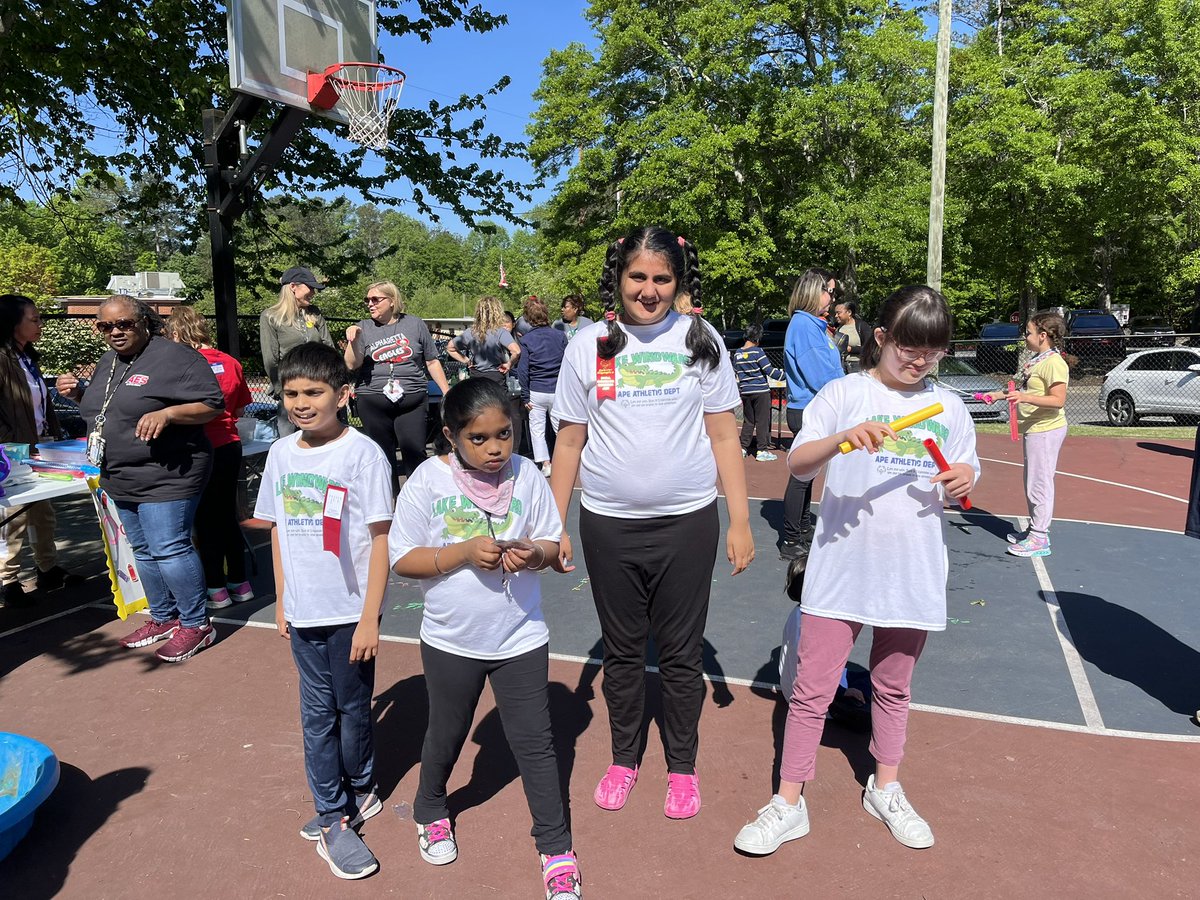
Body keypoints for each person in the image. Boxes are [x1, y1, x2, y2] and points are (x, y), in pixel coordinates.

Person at [732, 284, 978, 856]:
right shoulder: (844, 395)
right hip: (841, 571)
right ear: (882, 337)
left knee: (893, 688)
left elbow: (965, 473)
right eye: (908, 348)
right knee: (811, 693)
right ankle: (788, 803)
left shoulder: (949, 407)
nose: (919, 361)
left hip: (912, 574)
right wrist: (843, 440)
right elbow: (797, 462)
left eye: (932, 352)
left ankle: (885, 787)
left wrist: (965, 479)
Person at [550, 226, 754, 820]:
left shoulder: (700, 339)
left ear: (678, 281)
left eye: (662, 278)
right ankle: (623, 758)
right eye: (638, 277)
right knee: (622, 653)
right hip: (608, 525)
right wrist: (552, 522)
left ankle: (683, 768)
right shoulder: (587, 346)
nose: (649, 290)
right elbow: (568, 442)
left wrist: (739, 520)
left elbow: (723, 434)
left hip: (688, 524)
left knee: (683, 655)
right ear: (617, 278)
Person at [389, 378, 581, 900]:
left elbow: (553, 548)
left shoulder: (527, 476)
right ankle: (430, 808)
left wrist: (534, 554)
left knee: (537, 744)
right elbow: (402, 559)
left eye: (505, 434)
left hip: (521, 637)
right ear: (451, 435)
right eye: (480, 439)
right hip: (451, 640)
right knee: (447, 733)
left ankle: (556, 847)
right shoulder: (428, 482)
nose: (496, 448)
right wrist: (462, 552)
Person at [253, 342, 394, 881]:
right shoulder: (281, 454)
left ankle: (360, 788)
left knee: (353, 707)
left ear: (343, 394)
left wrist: (368, 616)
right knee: (318, 714)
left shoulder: (363, 455)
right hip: (305, 608)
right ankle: (334, 816)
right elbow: (280, 534)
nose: (301, 403)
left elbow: (381, 541)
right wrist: (284, 599)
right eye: (291, 394)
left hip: (351, 612)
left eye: (314, 393)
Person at [57, 295, 225, 662]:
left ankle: (197, 624)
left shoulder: (176, 357)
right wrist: (78, 393)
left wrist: (170, 414)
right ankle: (163, 617)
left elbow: (212, 404)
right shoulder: (109, 362)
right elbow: (110, 407)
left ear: (144, 322)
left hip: (168, 472)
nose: (116, 332)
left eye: (124, 324)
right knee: (144, 550)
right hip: (120, 474)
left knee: (169, 547)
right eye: (106, 326)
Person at [166, 306, 254, 610]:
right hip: (230, 444)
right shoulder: (230, 362)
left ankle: (215, 587)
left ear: (176, 333)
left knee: (204, 519)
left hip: (198, 447)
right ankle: (240, 583)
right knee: (227, 514)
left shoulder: (182, 365)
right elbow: (241, 409)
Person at [0, 294, 82, 606]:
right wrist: (9, 447)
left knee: (42, 512)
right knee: (12, 517)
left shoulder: (26, 358)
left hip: (37, 448)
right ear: (12, 323)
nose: (40, 324)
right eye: (33, 319)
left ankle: (47, 568)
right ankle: (7, 581)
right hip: (10, 453)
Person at [344, 281, 450, 493]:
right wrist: (353, 341)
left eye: (376, 299)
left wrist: (448, 392)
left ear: (392, 301)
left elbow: (431, 361)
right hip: (373, 399)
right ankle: (387, 507)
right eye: (367, 300)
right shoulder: (362, 327)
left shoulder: (414, 324)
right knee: (382, 456)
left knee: (415, 453)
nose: (370, 304)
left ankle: (417, 503)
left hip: (411, 399)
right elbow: (351, 364)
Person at [780, 268, 844, 560]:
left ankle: (803, 526)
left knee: (809, 473)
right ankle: (791, 538)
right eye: (829, 291)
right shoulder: (805, 325)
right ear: (813, 292)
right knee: (801, 475)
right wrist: (847, 390)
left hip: (811, 406)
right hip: (808, 408)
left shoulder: (812, 325)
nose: (832, 298)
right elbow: (820, 374)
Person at [1000, 311, 1073, 558]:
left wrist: (1025, 398)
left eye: (1028, 332)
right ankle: (1035, 529)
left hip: (1045, 431)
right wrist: (994, 396)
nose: (1025, 337)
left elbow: (1058, 400)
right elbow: (1018, 389)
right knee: (1032, 481)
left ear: (1043, 335)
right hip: (1035, 429)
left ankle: (1039, 537)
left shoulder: (1054, 363)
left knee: (1039, 483)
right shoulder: (1038, 359)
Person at [260, 267, 334, 437]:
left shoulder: (315, 313)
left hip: (320, 387)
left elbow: (329, 348)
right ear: (293, 287)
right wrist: (283, 392)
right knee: (290, 441)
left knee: (323, 441)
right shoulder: (270, 316)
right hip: (290, 390)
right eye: (310, 287)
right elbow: (271, 360)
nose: (314, 292)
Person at [448, 295, 524, 450]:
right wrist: (509, 364)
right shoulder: (500, 332)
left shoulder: (471, 333)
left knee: (477, 412)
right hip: (496, 376)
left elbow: (450, 347)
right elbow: (516, 351)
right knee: (502, 413)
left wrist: (466, 360)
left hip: (476, 377)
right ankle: (507, 448)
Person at [516, 296, 568, 476]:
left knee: (537, 429)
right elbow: (568, 364)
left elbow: (523, 370)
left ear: (528, 318)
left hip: (536, 390)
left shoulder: (527, 340)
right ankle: (565, 461)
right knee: (560, 428)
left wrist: (525, 395)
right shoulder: (560, 336)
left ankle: (546, 464)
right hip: (557, 390)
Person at [732, 324, 785, 461]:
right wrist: (786, 375)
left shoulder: (737, 353)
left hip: (745, 391)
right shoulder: (758, 351)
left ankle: (742, 448)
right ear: (757, 337)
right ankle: (762, 450)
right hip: (761, 391)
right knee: (762, 421)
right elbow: (769, 371)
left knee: (748, 421)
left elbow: (736, 372)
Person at [833, 299, 872, 373]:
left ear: (849, 312)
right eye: (835, 313)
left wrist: (850, 349)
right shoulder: (837, 327)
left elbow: (869, 347)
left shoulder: (862, 326)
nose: (836, 316)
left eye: (839, 313)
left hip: (857, 366)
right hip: (840, 365)